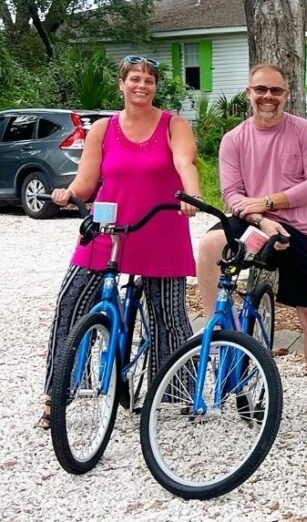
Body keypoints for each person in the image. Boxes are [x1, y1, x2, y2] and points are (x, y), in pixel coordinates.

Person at [42, 56, 201, 428]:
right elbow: (87, 182)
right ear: (122, 84)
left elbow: (185, 163)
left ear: (155, 86)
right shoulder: (102, 128)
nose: (141, 85)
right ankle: (57, 392)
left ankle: (175, 390)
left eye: (149, 80)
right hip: (109, 228)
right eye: (134, 78)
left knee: (169, 312)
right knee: (71, 300)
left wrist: (190, 196)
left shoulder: (173, 125)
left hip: (159, 226)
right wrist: (68, 193)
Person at [196, 64, 307, 432]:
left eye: (275, 90)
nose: (267, 97)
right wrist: (262, 219)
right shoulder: (234, 138)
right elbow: (230, 194)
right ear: (249, 93)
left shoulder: (305, 132)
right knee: (211, 243)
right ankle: (216, 327)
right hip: (256, 222)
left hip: (300, 228)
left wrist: (268, 204)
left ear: (286, 95)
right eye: (261, 89)